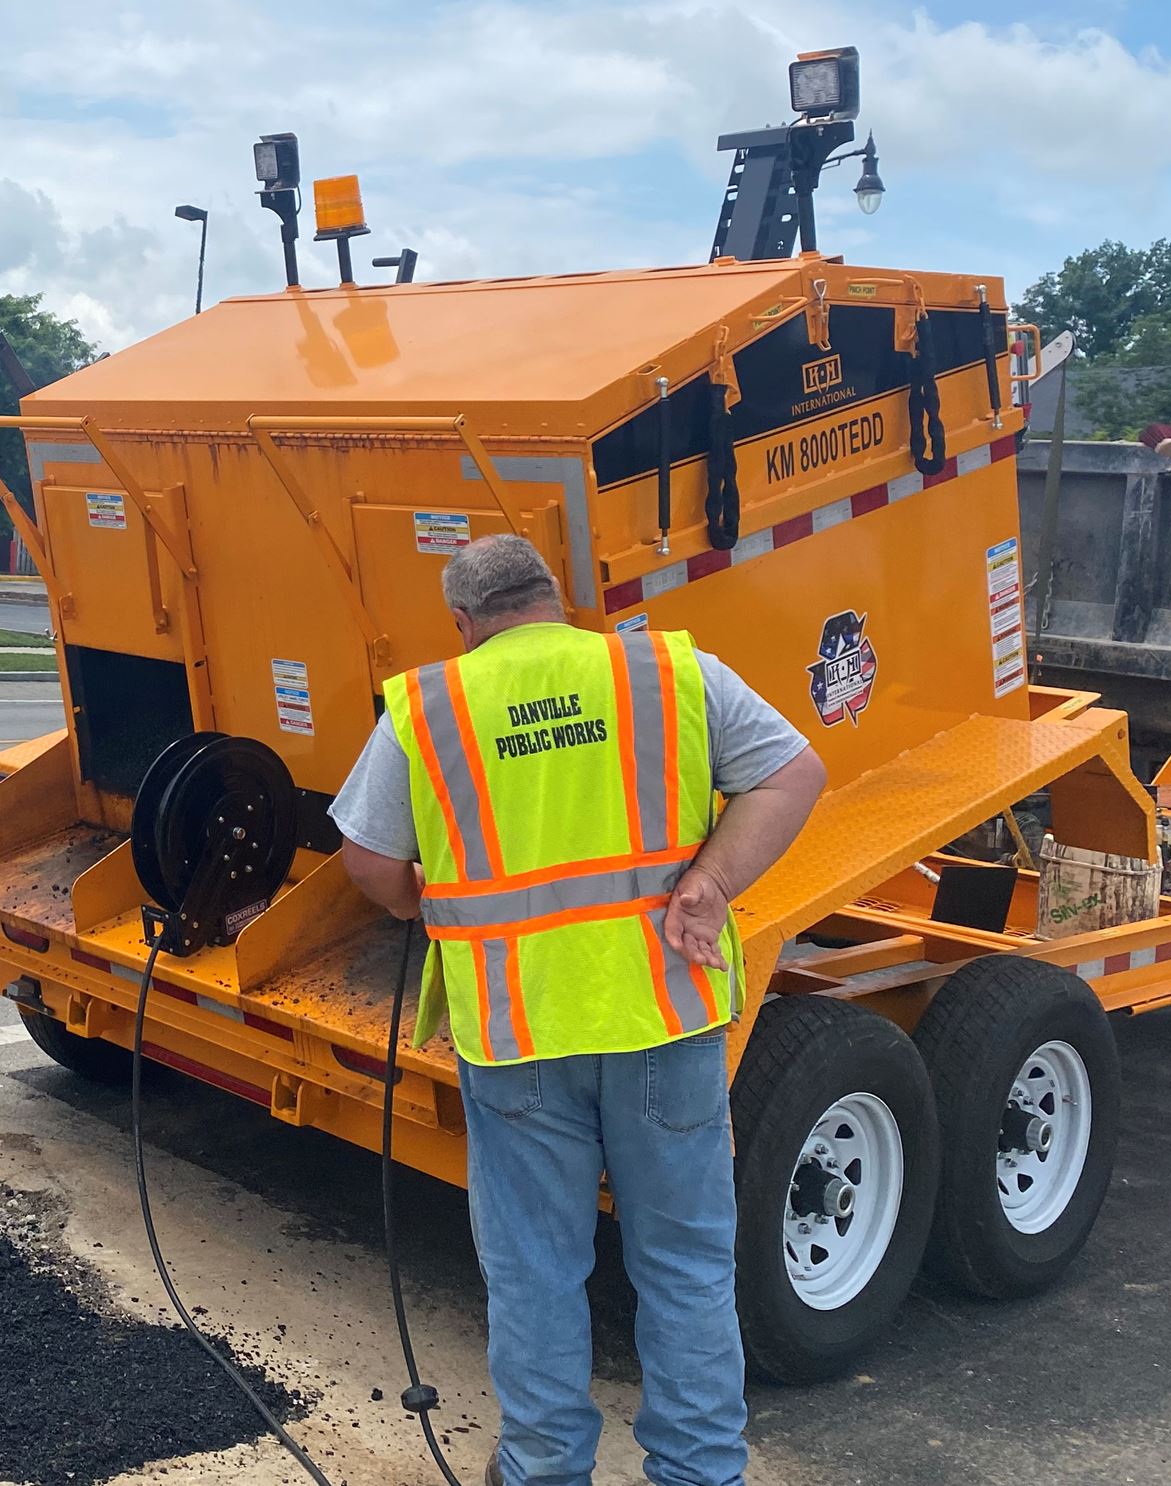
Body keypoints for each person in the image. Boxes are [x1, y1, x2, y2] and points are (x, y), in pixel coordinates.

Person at [333, 534, 826, 1486]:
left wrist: (423, 906)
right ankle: (697, 1472)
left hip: (517, 1035)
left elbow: (367, 859)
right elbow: (794, 773)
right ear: (558, 602)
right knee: (684, 1268)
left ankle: (546, 1470)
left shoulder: (431, 705)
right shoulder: (667, 672)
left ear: (465, 625)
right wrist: (710, 882)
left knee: (536, 1275)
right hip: (664, 1020)